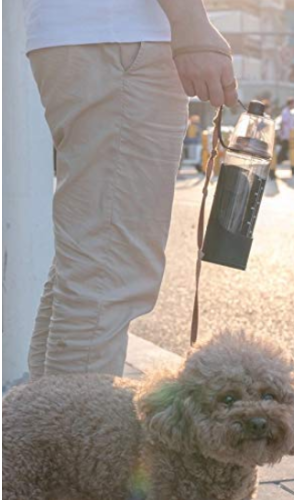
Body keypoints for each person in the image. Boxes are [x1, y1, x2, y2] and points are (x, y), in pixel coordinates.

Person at [24, 0, 238, 380]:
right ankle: (74, 438)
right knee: (108, 271)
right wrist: (191, 23)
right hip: (122, 40)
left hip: (93, 38)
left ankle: (41, 429)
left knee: (90, 264)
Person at [277, 97, 294, 175]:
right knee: (285, 152)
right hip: (287, 136)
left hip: (291, 135)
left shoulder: (289, 112)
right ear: (291, 103)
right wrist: (282, 134)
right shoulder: (285, 112)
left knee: (292, 152)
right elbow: (283, 124)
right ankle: (273, 166)